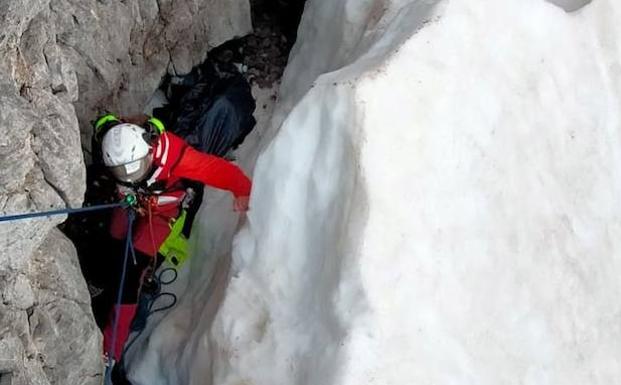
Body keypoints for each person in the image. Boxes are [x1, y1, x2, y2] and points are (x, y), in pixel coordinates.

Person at [93, 113, 251, 364]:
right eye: (121, 172)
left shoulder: (172, 155)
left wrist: (243, 188)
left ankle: (112, 349)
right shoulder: (111, 141)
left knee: (132, 272)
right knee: (114, 243)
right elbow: (104, 122)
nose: (131, 174)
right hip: (130, 202)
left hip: (160, 212)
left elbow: (212, 169)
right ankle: (105, 285)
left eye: (136, 169)